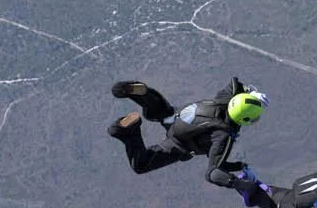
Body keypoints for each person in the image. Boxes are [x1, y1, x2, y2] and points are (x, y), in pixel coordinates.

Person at [105, 77, 261, 185]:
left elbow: (234, 85)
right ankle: (127, 132)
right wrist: (237, 180)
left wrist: (248, 92)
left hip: (176, 116)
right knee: (140, 165)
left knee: (158, 112)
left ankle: (145, 95)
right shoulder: (223, 135)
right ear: (244, 119)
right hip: (179, 144)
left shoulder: (225, 100)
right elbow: (214, 170)